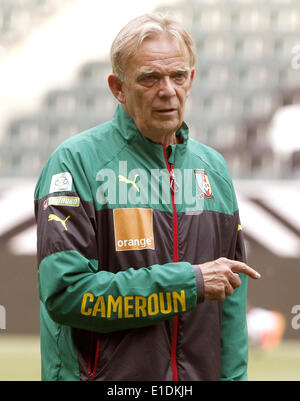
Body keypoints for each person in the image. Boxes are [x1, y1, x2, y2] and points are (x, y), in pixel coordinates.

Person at [34, 13, 261, 381]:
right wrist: (189, 283)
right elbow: (67, 294)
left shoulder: (214, 170)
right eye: (149, 78)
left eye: (178, 76)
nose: (168, 90)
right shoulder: (75, 163)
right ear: (117, 88)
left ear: (192, 80)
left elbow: (230, 308)